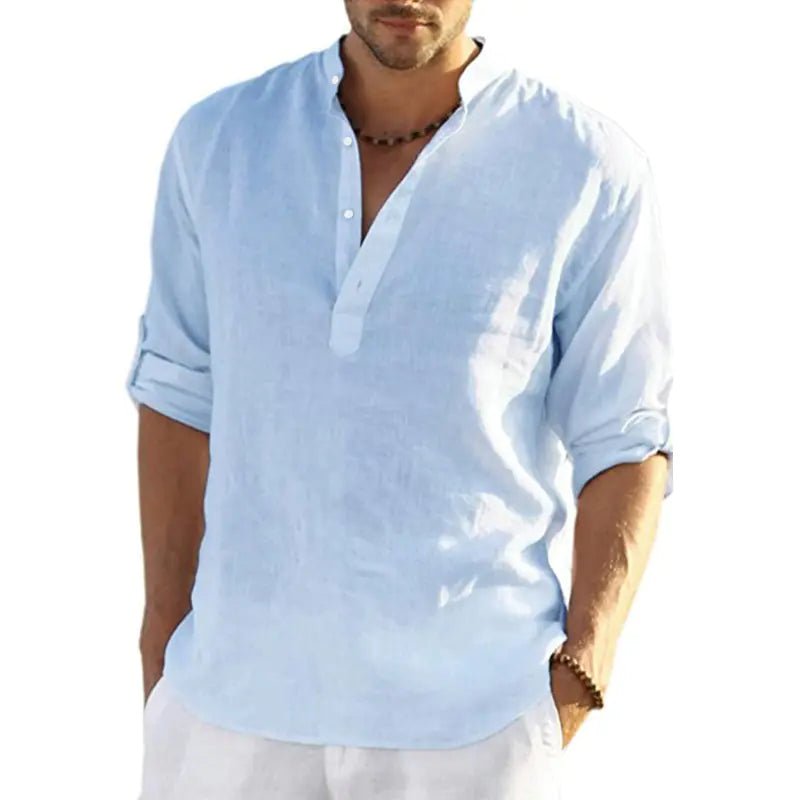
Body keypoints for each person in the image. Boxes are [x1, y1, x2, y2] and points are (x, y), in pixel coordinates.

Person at [127, 2, 674, 798]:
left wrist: (584, 669)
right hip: (225, 721)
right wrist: (162, 654)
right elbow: (179, 394)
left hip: (476, 729)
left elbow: (624, 435)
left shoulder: (585, 166)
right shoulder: (220, 142)